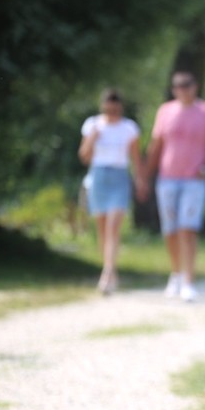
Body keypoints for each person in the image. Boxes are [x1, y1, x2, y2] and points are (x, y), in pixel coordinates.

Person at [142, 71, 205, 303]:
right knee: (170, 230)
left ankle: (189, 281)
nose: (183, 89)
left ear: (195, 87)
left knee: (187, 228)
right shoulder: (165, 111)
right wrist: (144, 176)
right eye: (178, 86)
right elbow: (156, 146)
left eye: (187, 85)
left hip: (193, 180)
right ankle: (176, 273)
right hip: (167, 178)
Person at [78, 88, 143, 295]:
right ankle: (111, 271)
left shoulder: (129, 128)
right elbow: (84, 156)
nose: (112, 112)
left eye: (115, 109)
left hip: (119, 176)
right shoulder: (92, 125)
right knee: (102, 227)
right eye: (109, 109)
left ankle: (107, 273)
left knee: (114, 226)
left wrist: (140, 180)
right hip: (98, 176)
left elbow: (135, 158)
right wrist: (92, 138)